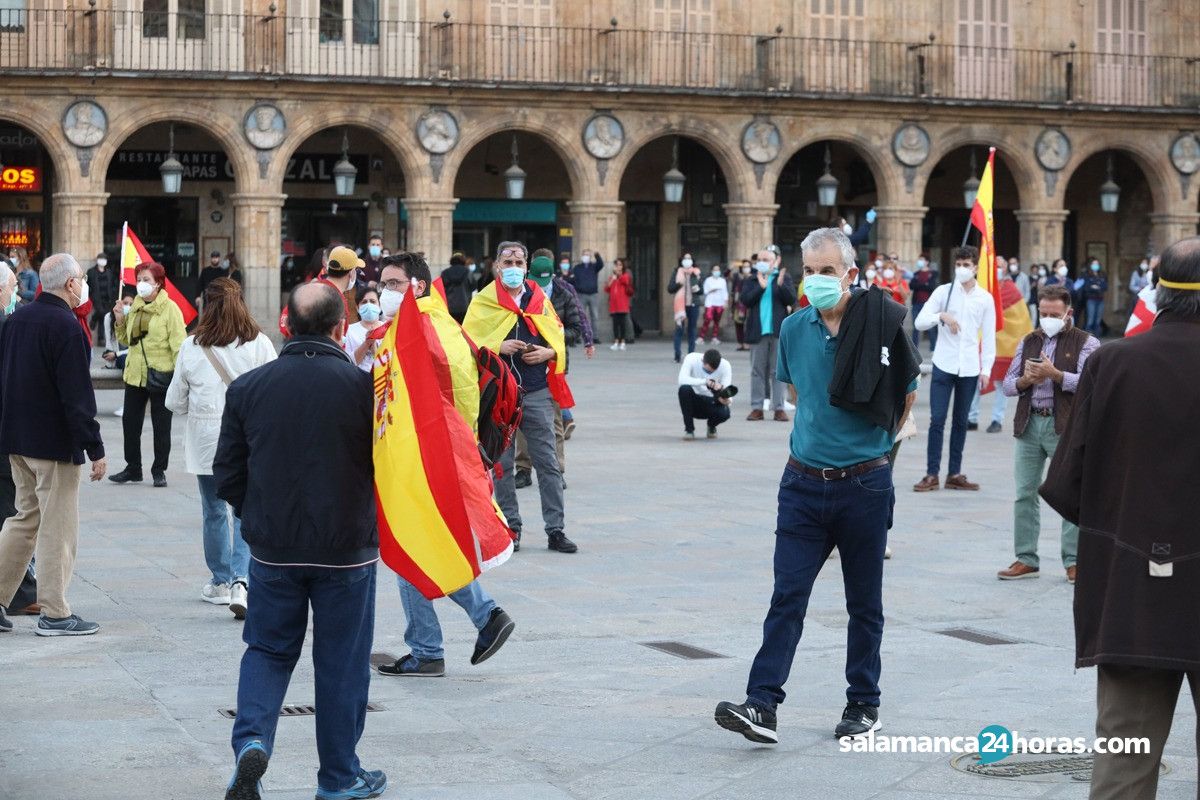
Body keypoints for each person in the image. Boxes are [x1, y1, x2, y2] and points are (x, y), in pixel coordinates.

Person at [714, 227, 918, 746]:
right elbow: (799, 392)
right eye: (810, 270)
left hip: (865, 485)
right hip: (802, 483)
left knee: (863, 603)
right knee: (787, 595)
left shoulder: (883, 324)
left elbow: (906, 397)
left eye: (829, 271)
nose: (818, 280)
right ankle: (761, 704)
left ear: (851, 273)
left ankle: (863, 703)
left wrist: (868, 448)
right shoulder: (794, 328)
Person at [1039, 236, 1200, 800]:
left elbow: (1064, 486)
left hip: (1133, 596)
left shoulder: (1112, 363)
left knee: (1123, 771)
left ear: (1157, 294)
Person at [214, 282, 386, 800]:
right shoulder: (366, 390)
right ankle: (338, 778)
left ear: (284, 324)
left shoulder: (249, 388)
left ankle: (251, 743)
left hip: (273, 549)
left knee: (267, 651)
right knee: (342, 663)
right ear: (341, 328)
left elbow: (227, 473)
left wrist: (257, 517)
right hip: (347, 552)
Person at [368, 253, 517, 679]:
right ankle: (481, 618)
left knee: (412, 545)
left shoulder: (424, 328)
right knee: (424, 542)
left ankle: (431, 646)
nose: (385, 292)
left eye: (394, 283)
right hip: (435, 452)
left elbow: (425, 394)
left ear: (417, 285)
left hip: (426, 455)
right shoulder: (435, 322)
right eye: (383, 284)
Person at [0, 254, 106, 636]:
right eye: (80, 278)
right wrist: (94, 448)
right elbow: (77, 396)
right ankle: (55, 613)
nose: (83, 285)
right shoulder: (65, 326)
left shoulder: (17, 319)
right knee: (57, 527)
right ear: (71, 283)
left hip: (17, 440)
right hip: (52, 444)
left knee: (23, 519)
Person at [166, 278, 276, 619]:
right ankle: (243, 579)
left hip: (206, 440)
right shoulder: (259, 343)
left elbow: (174, 401)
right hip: (247, 437)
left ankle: (221, 580)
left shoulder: (193, 346)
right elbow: (275, 388)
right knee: (244, 508)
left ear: (205, 306)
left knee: (214, 511)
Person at [463, 241, 577, 554]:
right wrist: (497, 347)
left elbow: (558, 337)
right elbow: (468, 344)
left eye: (518, 262)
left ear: (527, 267)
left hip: (536, 391)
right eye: (507, 262)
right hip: (500, 395)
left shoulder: (539, 298)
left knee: (548, 463)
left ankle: (556, 530)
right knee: (502, 465)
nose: (513, 268)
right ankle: (511, 528)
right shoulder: (483, 301)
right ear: (496, 267)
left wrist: (549, 352)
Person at [996, 284, 1098, 584]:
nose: (1048, 318)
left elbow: (1092, 383)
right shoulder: (1028, 340)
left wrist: (1056, 376)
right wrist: (1026, 380)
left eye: (1054, 313)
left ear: (1068, 312)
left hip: (1063, 426)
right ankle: (1026, 558)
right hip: (1029, 425)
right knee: (1024, 493)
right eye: (1043, 313)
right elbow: (1007, 384)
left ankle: (1075, 560)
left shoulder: (1086, 343)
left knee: (1070, 492)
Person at [912, 245, 996, 492]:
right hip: (944, 363)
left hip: (969, 366)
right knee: (937, 419)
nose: (962, 269)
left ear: (975, 267)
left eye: (966, 265)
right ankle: (931, 473)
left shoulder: (985, 298)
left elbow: (989, 337)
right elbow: (919, 321)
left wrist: (987, 369)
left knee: (961, 421)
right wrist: (941, 317)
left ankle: (955, 473)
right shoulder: (943, 292)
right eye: (958, 265)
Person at [513, 251, 592, 490]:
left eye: (545, 281)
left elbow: (575, 328)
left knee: (555, 420)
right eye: (537, 280)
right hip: (524, 364)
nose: (541, 285)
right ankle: (523, 469)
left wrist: (552, 345)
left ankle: (557, 470)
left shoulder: (564, 294)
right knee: (522, 419)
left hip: (553, 365)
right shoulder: (520, 295)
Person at [109, 262, 186, 489]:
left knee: (162, 426)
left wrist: (179, 377)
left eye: (147, 280)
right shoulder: (136, 306)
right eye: (139, 279)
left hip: (161, 375)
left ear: (159, 283)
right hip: (135, 374)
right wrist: (120, 319)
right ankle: (133, 467)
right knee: (130, 423)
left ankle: (159, 469)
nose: (141, 284)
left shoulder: (170, 309)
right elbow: (126, 339)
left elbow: (179, 346)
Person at [741, 245, 795, 422]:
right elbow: (746, 301)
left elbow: (790, 300)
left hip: (778, 331)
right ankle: (757, 407)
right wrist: (761, 287)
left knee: (777, 371)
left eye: (766, 260)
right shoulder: (752, 280)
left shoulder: (783, 278)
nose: (762, 263)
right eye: (760, 260)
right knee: (757, 371)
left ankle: (779, 407)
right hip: (758, 332)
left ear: (775, 261)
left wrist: (779, 285)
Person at [677, 348, 732, 440]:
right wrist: (705, 382)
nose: (710, 373)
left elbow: (727, 389)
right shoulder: (691, 358)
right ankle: (689, 430)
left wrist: (726, 400)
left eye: (713, 371)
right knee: (684, 389)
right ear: (703, 361)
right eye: (708, 371)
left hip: (712, 400)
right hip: (694, 400)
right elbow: (682, 380)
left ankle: (711, 426)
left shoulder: (725, 365)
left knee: (725, 413)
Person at [668, 254, 704, 362]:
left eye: (689, 258)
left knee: (692, 330)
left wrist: (697, 289)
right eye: (685, 258)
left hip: (693, 304)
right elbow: (670, 289)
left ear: (692, 260)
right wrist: (679, 284)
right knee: (679, 330)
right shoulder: (676, 272)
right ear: (681, 260)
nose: (687, 260)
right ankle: (677, 355)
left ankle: (691, 355)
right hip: (680, 305)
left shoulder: (696, 273)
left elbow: (702, 290)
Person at [342, 286, 383, 372]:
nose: (369, 305)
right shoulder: (349, 331)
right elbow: (349, 363)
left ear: (379, 305)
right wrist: (367, 343)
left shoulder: (389, 329)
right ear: (357, 308)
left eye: (373, 301)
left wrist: (375, 351)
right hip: (358, 380)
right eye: (364, 302)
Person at [567, 248, 603, 340]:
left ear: (590, 257)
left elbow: (601, 264)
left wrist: (597, 256)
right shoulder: (577, 268)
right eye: (584, 255)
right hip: (581, 295)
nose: (585, 256)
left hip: (593, 295)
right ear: (582, 256)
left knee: (594, 316)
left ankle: (595, 337)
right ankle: (579, 337)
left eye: (587, 255)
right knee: (580, 317)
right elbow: (572, 280)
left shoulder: (594, 266)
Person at [86, 251, 119, 342]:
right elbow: (87, 285)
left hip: (107, 298)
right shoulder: (91, 272)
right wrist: (89, 295)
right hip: (96, 297)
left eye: (104, 259)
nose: (102, 261)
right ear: (97, 260)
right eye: (101, 259)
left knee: (103, 316)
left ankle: (95, 321)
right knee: (101, 312)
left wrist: (112, 293)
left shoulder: (109, 272)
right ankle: (100, 337)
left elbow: (113, 284)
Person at [908, 254, 938, 349]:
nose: (919, 261)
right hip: (916, 303)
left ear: (927, 261)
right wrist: (924, 284)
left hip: (928, 304)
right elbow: (912, 286)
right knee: (915, 327)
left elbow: (931, 287)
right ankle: (913, 348)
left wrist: (920, 284)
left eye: (921, 259)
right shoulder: (916, 274)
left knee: (930, 327)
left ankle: (933, 348)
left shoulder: (933, 273)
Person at [605, 257, 634, 351]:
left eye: (620, 265)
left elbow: (625, 281)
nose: (618, 267)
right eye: (616, 265)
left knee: (622, 324)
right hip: (614, 305)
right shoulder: (612, 277)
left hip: (622, 305)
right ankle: (616, 341)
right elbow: (606, 289)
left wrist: (618, 275)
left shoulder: (625, 276)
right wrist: (612, 280)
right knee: (615, 324)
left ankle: (623, 342)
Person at [438, 252, 474, 324]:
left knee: (451, 328)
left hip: (449, 306)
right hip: (464, 306)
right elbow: (473, 286)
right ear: (463, 261)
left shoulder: (445, 273)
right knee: (463, 329)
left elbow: (440, 289)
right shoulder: (468, 272)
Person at [699, 264, 729, 344]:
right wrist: (711, 290)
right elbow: (704, 291)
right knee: (707, 319)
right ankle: (701, 337)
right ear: (712, 271)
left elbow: (725, 292)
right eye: (715, 270)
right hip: (710, 303)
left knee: (717, 321)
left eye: (718, 270)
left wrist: (725, 302)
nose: (717, 271)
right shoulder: (708, 280)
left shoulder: (722, 280)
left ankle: (714, 337)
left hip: (719, 303)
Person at [1082, 259, 1108, 337]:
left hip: (1100, 299)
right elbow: (1086, 287)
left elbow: (1105, 286)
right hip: (1091, 299)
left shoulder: (1102, 275)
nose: (1095, 265)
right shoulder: (1087, 275)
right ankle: (1088, 337)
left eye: (1097, 264)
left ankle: (1097, 336)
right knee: (1090, 319)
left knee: (1098, 320)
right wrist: (1096, 287)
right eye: (1094, 264)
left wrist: (1095, 287)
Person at [731, 261, 752, 351]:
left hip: (750, 305)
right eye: (744, 267)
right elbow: (733, 291)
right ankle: (740, 343)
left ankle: (747, 343)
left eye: (747, 266)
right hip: (738, 305)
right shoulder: (737, 277)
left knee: (749, 325)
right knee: (738, 325)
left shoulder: (753, 277)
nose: (745, 268)